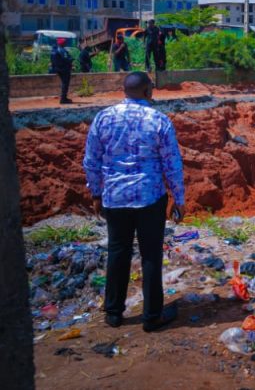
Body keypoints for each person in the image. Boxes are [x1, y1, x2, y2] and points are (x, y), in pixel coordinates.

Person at [82, 72, 183, 332]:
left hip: (115, 198)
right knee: (151, 254)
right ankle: (152, 316)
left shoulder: (104, 118)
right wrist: (178, 199)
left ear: (124, 90)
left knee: (118, 251)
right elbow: (171, 164)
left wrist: (96, 193)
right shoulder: (159, 120)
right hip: (150, 198)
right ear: (149, 91)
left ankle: (114, 313)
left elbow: (91, 160)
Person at [50, 37, 74, 105]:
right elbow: (66, 59)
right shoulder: (62, 50)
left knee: (64, 83)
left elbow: (52, 61)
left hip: (58, 69)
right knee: (65, 84)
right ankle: (63, 99)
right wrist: (71, 59)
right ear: (62, 43)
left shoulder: (54, 50)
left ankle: (64, 98)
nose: (65, 43)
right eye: (64, 42)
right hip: (64, 69)